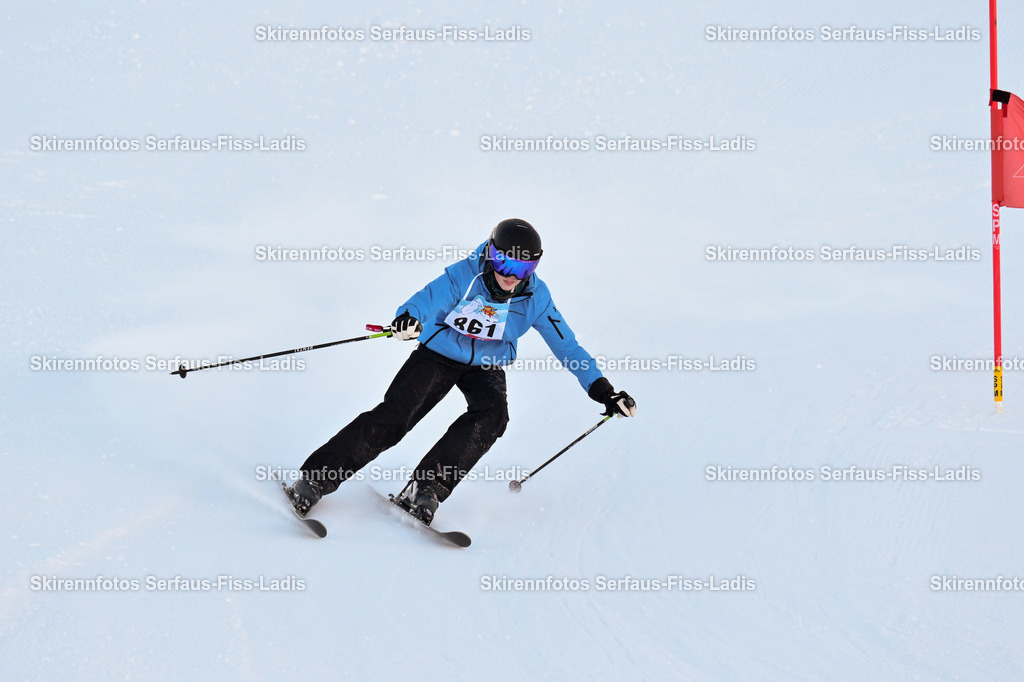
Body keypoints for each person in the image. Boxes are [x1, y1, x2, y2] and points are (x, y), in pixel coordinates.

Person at [285, 219, 636, 524]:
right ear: (490, 252)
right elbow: (426, 299)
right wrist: (409, 317)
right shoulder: (464, 274)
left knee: (493, 414)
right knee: (396, 417)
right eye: (503, 263)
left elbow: (568, 347)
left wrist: (603, 390)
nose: (511, 277)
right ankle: (317, 478)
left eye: (523, 270)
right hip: (439, 352)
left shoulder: (536, 298)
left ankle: (426, 488)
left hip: (487, 363)